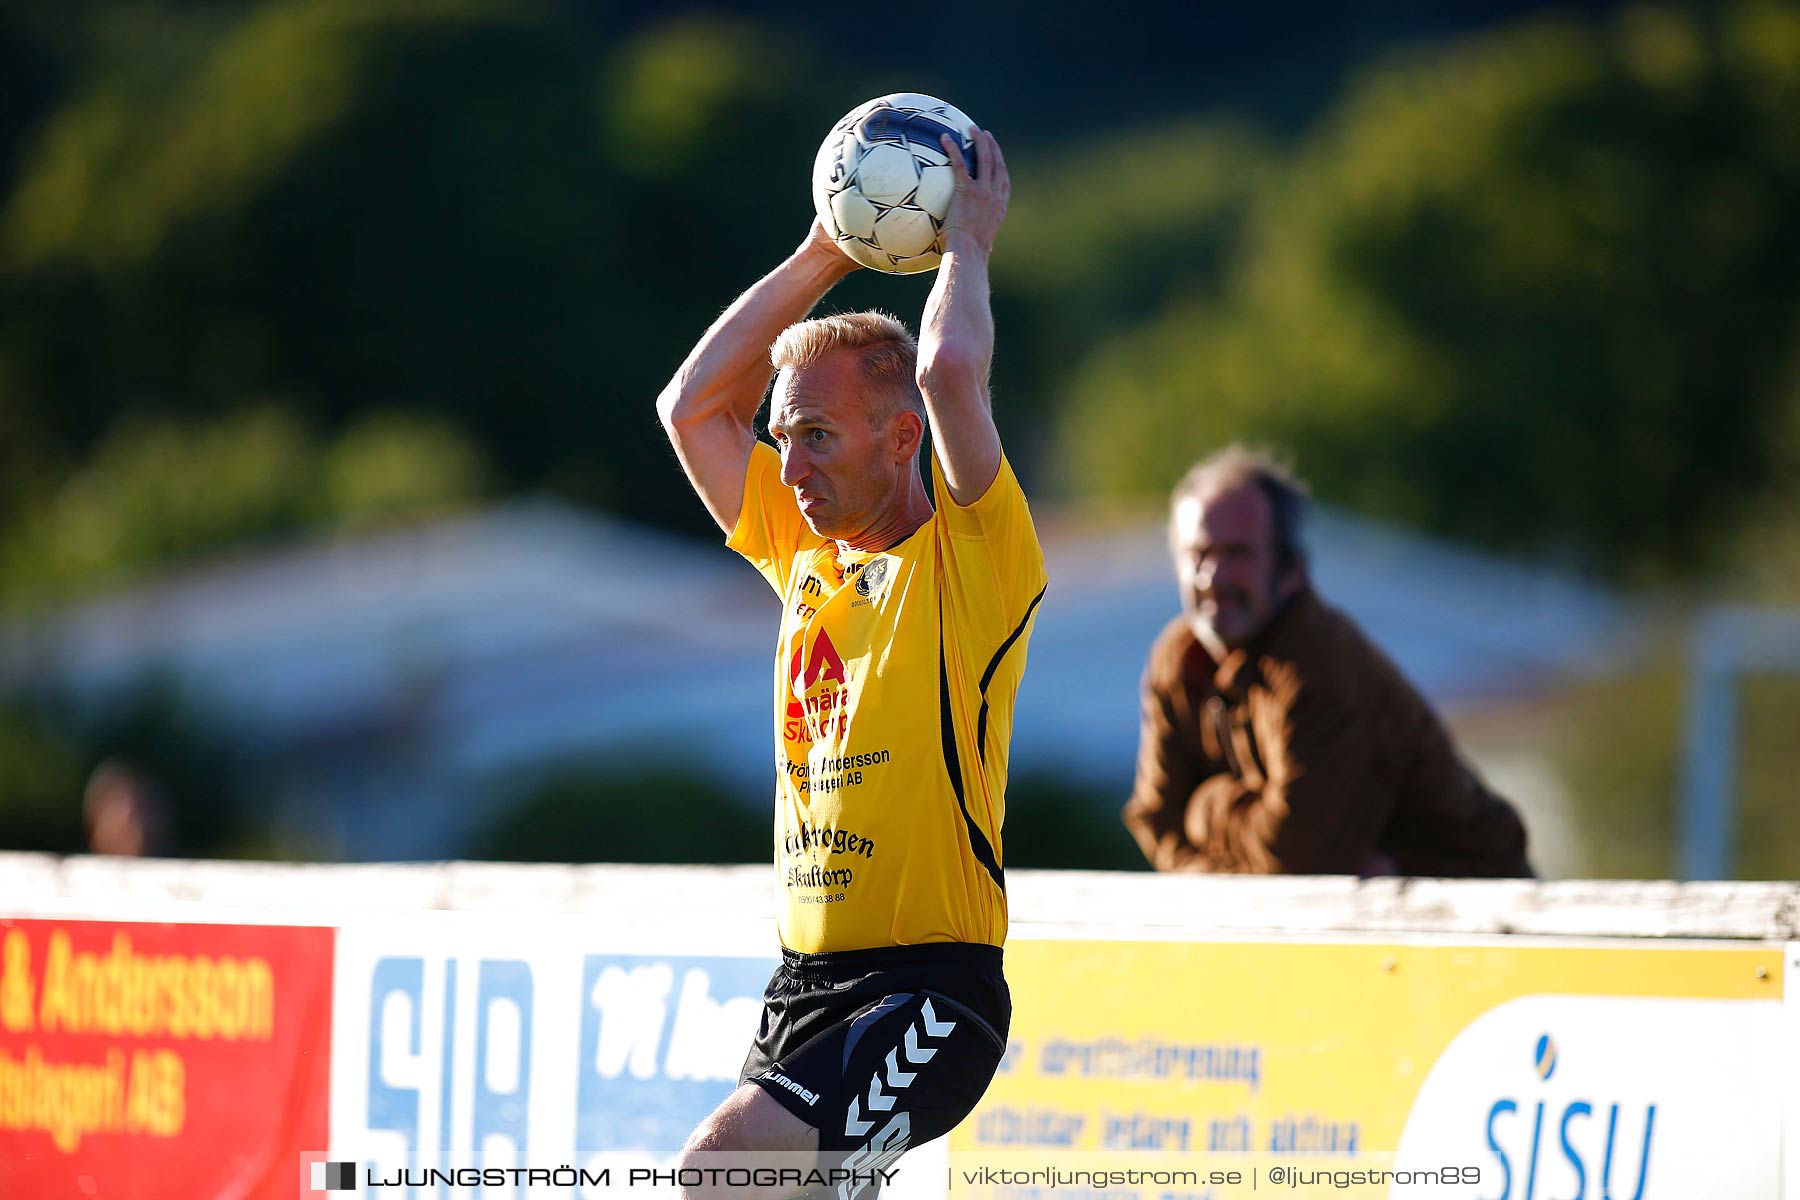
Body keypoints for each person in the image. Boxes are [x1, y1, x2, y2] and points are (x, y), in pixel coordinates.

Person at [657, 126, 1045, 1198]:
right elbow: (689, 408)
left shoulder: (970, 562)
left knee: (716, 1179)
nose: (792, 467)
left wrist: (969, 242)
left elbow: (950, 366)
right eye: (782, 438)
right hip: (803, 991)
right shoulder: (806, 560)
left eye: (818, 435)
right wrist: (826, 248)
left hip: (931, 998)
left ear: (901, 437)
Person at [1121, 446, 1533, 878]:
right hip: (1342, 916)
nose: (1214, 577)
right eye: (1198, 553)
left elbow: (1298, 856)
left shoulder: (1318, 666)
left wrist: (1208, 808)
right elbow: (1153, 822)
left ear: (1291, 570)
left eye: (1238, 553)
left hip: (1473, 908)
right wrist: (1219, 880)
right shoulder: (1178, 659)